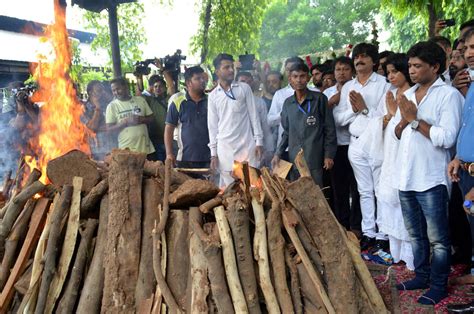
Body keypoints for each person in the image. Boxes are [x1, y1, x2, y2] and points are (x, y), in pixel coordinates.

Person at [393, 41, 463, 305]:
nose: (411, 70)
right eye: (410, 65)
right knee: (416, 235)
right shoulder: (408, 95)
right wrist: (400, 124)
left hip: (432, 178)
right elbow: (398, 135)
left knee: (439, 241)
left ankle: (438, 285)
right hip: (407, 176)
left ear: (435, 67)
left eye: (417, 66)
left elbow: (447, 138)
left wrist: (414, 121)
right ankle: (421, 275)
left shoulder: (448, 95)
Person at [335, 42, 391, 252]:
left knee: (379, 189)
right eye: (357, 56)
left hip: (377, 141)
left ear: (374, 61)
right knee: (363, 190)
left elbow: (388, 117)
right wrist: (355, 110)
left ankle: (383, 234)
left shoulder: (384, 84)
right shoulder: (349, 86)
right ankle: (368, 232)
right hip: (355, 142)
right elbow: (339, 118)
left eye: (365, 56)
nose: (359, 60)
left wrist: (366, 110)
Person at [376, 53, 414, 269]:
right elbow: (383, 123)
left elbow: (407, 127)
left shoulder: (413, 94)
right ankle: (396, 253)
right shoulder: (390, 94)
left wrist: (393, 117)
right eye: (388, 72)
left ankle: (411, 257)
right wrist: (389, 116)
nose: (390, 76)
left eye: (394, 71)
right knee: (389, 202)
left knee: (403, 205)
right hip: (389, 154)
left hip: (405, 155)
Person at [272, 62, 337, 186]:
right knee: (298, 195)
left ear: (308, 78)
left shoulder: (319, 99)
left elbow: (329, 129)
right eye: (295, 77)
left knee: (317, 194)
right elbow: (286, 133)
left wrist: (329, 155)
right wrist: (278, 153)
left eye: (302, 76)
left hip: (315, 158)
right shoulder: (288, 103)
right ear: (290, 79)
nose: (299, 80)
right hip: (295, 159)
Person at [446, 29, 474, 312]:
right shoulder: (472, 82)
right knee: (472, 225)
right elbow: (468, 127)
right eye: (466, 47)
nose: (468, 53)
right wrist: (457, 156)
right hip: (466, 170)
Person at [207, 53, 263, 187]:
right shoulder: (213, 96)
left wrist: (259, 142)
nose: (231, 70)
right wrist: (213, 154)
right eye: (226, 67)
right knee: (230, 188)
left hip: (247, 147)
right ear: (217, 71)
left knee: (252, 185)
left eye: (232, 67)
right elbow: (212, 127)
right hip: (225, 150)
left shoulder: (244, 88)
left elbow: (254, 117)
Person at [323, 56, 361, 234]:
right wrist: (330, 104)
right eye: (338, 69)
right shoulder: (327, 93)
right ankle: (342, 224)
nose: (341, 73)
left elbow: (358, 114)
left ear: (352, 71)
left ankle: (356, 226)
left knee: (357, 187)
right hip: (335, 146)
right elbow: (325, 120)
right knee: (339, 188)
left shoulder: (356, 88)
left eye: (345, 69)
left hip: (353, 143)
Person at [164, 66, 210, 170]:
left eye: (203, 78)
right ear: (189, 83)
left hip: (210, 159)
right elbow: (168, 130)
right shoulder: (178, 102)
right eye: (198, 79)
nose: (203, 81)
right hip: (185, 159)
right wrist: (169, 154)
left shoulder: (211, 101)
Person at [268, 56, 317, 153]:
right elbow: (270, 121)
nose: (291, 72)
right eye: (288, 70)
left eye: (294, 68)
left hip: (311, 147)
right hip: (287, 147)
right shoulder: (280, 94)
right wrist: (285, 114)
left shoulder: (316, 94)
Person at [106, 77, 155, 156]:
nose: (116, 92)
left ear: (126, 87)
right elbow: (109, 130)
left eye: (118, 89)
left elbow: (152, 118)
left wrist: (142, 119)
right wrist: (125, 122)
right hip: (126, 152)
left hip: (146, 149)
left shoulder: (140, 100)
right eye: (113, 90)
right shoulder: (112, 106)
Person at [236, 71, 275, 167]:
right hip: (235, 148)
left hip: (255, 148)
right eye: (242, 81)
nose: (246, 84)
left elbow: (265, 127)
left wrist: (270, 149)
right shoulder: (229, 101)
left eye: (249, 82)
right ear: (236, 84)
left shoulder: (259, 102)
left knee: (254, 178)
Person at [82, 80, 117, 160]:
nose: (102, 93)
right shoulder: (83, 108)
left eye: (103, 90)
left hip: (112, 146)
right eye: (99, 90)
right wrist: (97, 108)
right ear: (90, 92)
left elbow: (115, 123)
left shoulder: (107, 105)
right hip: (96, 149)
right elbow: (92, 127)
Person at [142, 75, 168, 161]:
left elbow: (171, 86)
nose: (157, 88)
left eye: (160, 86)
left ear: (165, 88)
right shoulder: (150, 100)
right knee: (159, 162)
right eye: (155, 86)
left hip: (168, 137)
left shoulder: (169, 98)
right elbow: (139, 95)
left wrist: (163, 70)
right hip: (156, 138)